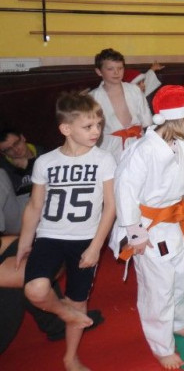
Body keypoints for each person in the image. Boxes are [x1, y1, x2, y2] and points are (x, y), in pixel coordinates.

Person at [15, 91, 116, 371]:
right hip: (49, 236)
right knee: (35, 290)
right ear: (66, 129)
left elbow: (110, 207)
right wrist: (25, 241)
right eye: (88, 126)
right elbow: (35, 205)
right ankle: (65, 314)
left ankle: (70, 357)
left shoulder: (104, 159)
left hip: (84, 239)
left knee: (78, 301)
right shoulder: (46, 162)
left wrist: (95, 247)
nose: (96, 131)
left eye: (98, 124)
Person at [111, 85, 184, 370]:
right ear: (178, 120)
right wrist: (135, 233)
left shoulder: (183, 144)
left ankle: (177, 321)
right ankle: (162, 346)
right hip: (150, 227)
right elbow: (124, 191)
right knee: (158, 288)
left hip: (177, 221)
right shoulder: (142, 150)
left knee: (182, 277)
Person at [90, 48, 152, 161]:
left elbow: (146, 120)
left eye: (120, 68)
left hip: (137, 143)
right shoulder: (93, 97)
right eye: (110, 69)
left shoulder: (134, 90)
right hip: (109, 148)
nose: (116, 72)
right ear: (99, 71)